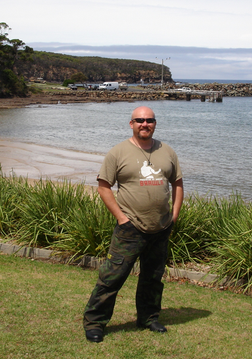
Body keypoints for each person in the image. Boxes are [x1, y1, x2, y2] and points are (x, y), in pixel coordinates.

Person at [83, 106, 184, 343]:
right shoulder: (118, 152)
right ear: (131, 124)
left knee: (152, 277)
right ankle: (95, 322)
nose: (144, 124)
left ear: (155, 123)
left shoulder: (167, 151)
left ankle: (148, 318)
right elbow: (103, 186)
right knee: (112, 277)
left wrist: (174, 215)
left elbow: (178, 183)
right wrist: (121, 218)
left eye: (149, 120)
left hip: (160, 228)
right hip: (130, 228)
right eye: (139, 120)